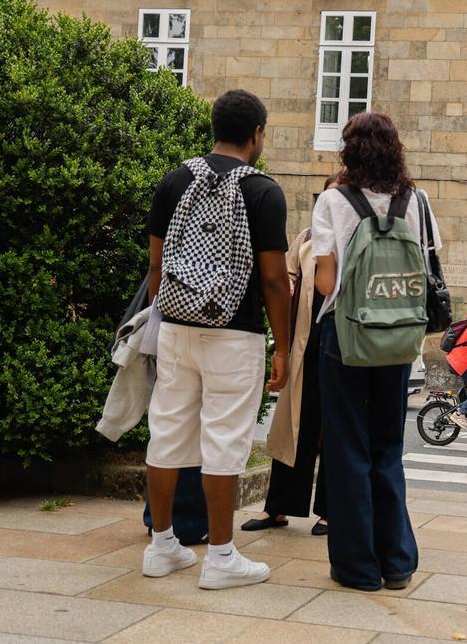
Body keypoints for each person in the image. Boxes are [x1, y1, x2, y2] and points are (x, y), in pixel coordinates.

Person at [143, 89, 290, 589]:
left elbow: (156, 265)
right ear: (257, 135)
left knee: (166, 433)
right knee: (224, 440)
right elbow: (274, 279)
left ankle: (162, 546)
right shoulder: (264, 192)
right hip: (235, 332)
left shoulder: (174, 180)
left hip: (176, 326)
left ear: (214, 128)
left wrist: (167, 314)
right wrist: (283, 346)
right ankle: (222, 556)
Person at [312, 112, 439, 592]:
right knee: (388, 448)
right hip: (399, 342)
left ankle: (357, 567)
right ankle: (398, 562)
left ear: (349, 151)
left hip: (345, 340)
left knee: (347, 450)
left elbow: (326, 281)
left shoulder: (333, 200)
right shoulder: (417, 201)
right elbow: (427, 271)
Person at [242, 175, 340, 536]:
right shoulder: (308, 236)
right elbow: (286, 277)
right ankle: (279, 507)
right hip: (305, 341)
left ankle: (332, 511)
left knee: (335, 428)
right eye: (325, 199)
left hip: (343, 343)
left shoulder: (355, 235)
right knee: (294, 424)